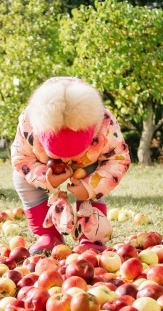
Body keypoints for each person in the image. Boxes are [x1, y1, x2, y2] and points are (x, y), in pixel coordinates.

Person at [11, 77, 131, 254]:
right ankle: (48, 233)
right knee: (22, 180)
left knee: (95, 181)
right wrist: (46, 178)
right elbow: (21, 158)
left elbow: (118, 159)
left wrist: (90, 188)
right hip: (43, 163)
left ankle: (90, 235)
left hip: (90, 162)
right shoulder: (30, 122)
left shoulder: (104, 123)